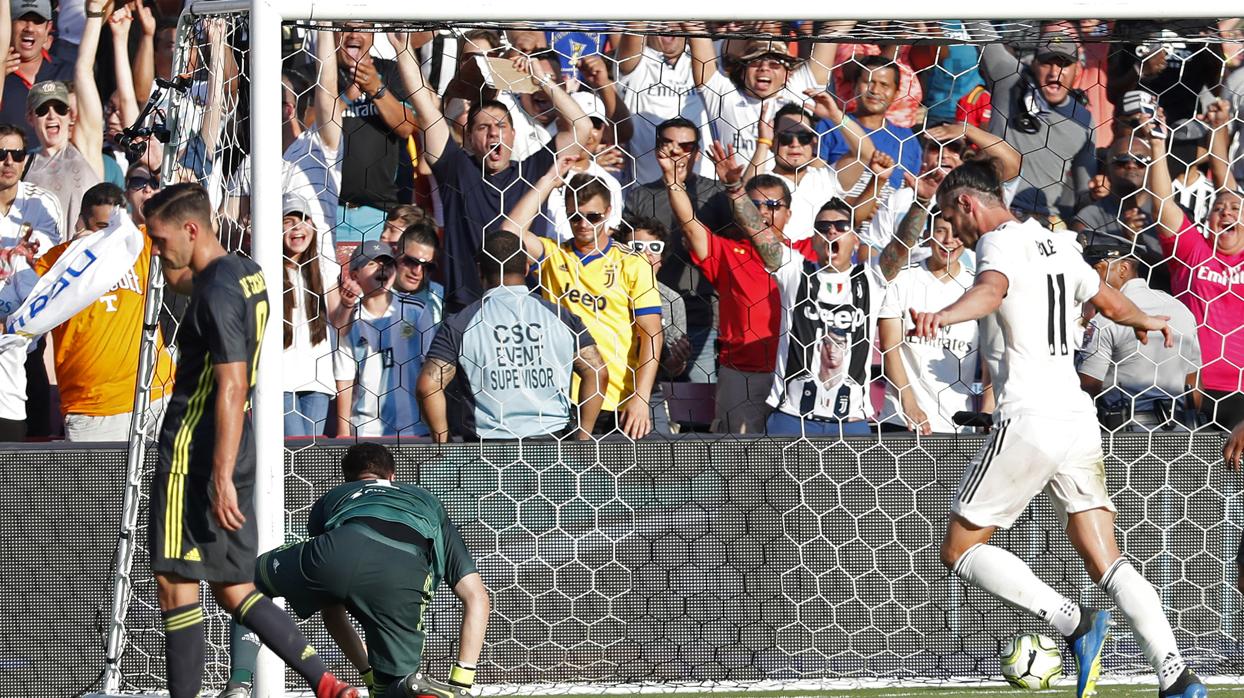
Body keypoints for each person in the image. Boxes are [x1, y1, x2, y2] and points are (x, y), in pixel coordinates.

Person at [909, 160, 1205, 698]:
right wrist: (1146, 320)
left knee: (960, 548)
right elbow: (1109, 300)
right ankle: (1176, 676)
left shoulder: (996, 242)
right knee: (1103, 555)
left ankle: (1075, 623)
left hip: (1030, 415)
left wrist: (944, 314)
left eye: (952, 216)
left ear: (969, 204)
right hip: (1076, 416)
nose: (954, 229)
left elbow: (992, 290)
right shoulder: (1057, 242)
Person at [140, 182, 357, 698]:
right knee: (235, 586)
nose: (157, 249)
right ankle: (325, 683)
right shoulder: (247, 272)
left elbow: (232, 382)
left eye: (160, 238)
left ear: (191, 230)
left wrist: (215, 476)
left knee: (176, 587)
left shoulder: (215, 292)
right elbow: (192, 288)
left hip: (195, 455)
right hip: (240, 446)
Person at [255, 442, 488, 698]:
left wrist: (367, 674)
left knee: (244, 582)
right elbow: (476, 597)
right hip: (406, 571)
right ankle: (424, 690)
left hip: (342, 548)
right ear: (392, 476)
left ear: (347, 479)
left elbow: (331, 609)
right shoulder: (427, 501)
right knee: (399, 688)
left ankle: (239, 685)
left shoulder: (334, 496)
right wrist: (462, 683)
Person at [406, 46, 590, 311]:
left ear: (514, 134)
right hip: (467, 308)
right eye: (483, 127)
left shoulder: (533, 170)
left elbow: (581, 127)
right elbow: (424, 108)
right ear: (469, 139)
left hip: (525, 307)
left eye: (501, 126)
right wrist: (402, 47)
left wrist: (542, 81)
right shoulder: (457, 169)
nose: (494, 134)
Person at [506, 162, 664, 439]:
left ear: (608, 212)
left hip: (617, 401)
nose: (583, 225)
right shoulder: (554, 256)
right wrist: (546, 182)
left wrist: (641, 398)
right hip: (559, 401)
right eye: (574, 217)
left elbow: (651, 333)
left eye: (592, 217)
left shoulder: (633, 262)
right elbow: (508, 235)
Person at [418, 230, 608, 441]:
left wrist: (443, 443)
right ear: (527, 267)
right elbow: (597, 372)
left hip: (488, 451)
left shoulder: (461, 322)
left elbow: (428, 386)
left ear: (479, 270)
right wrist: (583, 437)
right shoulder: (560, 316)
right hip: (553, 447)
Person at [32, 182, 174, 441]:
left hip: (155, 395)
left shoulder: (139, 243)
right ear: (81, 223)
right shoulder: (54, 263)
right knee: (100, 483)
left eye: (117, 229)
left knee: (169, 481)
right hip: (92, 408)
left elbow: (191, 217)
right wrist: (76, 258)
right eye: (101, 228)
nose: (110, 237)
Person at [1143, 111, 1244, 431]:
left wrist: (1218, 135)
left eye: (1235, 210)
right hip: (1190, 385)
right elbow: (1162, 205)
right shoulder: (1193, 250)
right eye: (1218, 209)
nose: (1225, 213)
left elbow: (1229, 187)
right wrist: (1158, 147)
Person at [625, 117, 734, 383]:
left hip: (703, 318)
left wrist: (732, 188)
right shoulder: (640, 196)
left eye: (685, 146)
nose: (675, 151)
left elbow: (737, 245)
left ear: (696, 154)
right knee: (653, 408)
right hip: (652, 316)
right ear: (656, 148)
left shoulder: (716, 193)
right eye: (667, 144)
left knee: (696, 414)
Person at [877, 205, 991, 434]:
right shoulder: (903, 280)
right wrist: (909, 404)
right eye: (941, 231)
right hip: (902, 421)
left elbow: (991, 359)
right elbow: (890, 347)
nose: (949, 240)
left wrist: (987, 413)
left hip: (957, 425)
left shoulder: (978, 290)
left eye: (957, 233)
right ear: (928, 235)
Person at [1076, 241, 1201, 432]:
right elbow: (1194, 384)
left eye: (1096, 269)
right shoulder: (1181, 309)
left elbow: (1087, 387)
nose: (1090, 279)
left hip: (1124, 436)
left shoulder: (1105, 320)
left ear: (1123, 269)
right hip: (1180, 432)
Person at [980, 31, 1095, 223]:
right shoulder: (1009, 79)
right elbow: (979, 27)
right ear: (1033, 65)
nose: (1054, 72)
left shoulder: (1084, 121)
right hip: (991, 210)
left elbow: (1085, 193)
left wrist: (1098, 191)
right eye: (1046, 62)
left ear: (1078, 70)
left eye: (1063, 64)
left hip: (1042, 223)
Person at [315, 27, 417, 243]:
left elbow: (407, 127)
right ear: (332, 33)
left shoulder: (390, 72)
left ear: (372, 35)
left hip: (381, 216)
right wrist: (347, 96)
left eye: (362, 29)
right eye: (345, 28)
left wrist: (375, 88)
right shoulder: (317, 73)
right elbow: (304, 129)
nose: (353, 35)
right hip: (325, 210)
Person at [23, 0, 110, 237]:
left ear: (71, 115)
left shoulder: (84, 148)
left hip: (83, 268)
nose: (52, 115)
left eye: (60, 108)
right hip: (42, 271)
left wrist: (94, 14)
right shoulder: (21, 165)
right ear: (30, 118)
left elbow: (83, 69)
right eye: (42, 110)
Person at [333, 240, 432, 438]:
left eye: (387, 264)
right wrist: (343, 431)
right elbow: (344, 378)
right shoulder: (349, 321)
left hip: (413, 427)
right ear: (354, 275)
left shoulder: (416, 310)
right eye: (372, 263)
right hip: (366, 429)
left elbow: (430, 367)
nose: (382, 269)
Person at [0, 121, 60, 441]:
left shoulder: (43, 203)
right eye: (1, 153)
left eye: (17, 154)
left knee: (33, 447)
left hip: (27, 342)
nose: (9, 161)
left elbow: (45, 273)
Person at [615, 214, 688, 435]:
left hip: (649, 392)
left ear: (662, 256)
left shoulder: (672, 299)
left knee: (657, 458)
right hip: (606, 385)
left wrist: (678, 360)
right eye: (636, 246)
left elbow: (674, 370)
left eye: (654, 247)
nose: (646, 253)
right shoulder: (607, 291)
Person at [816, 55, 920, 191]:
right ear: (854, 86)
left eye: (884, 85)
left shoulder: (907, 139)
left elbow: (911, 188)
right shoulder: (830, 126)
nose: (875, 91)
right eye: (868, 82)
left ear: (896, 93)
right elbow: (813, 179)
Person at [281, 195, 336, 438]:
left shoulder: (324, 269)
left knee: (310, 459)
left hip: (317, 383)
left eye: (304, 220)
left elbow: (341, 323)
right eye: (287, 221)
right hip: (280, 382)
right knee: (296, 453)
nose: (297, 228)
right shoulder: (263, 269)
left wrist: (346, 300)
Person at [2, 0, 71, 143]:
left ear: (48, 28)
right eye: (22, 19)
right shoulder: (1, 77)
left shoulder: (68, 72)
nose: (30, 28)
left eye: (37, 21)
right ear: (8, 25)